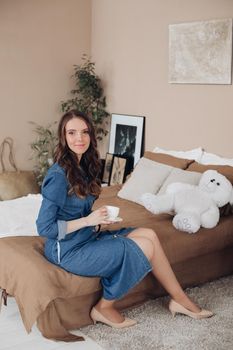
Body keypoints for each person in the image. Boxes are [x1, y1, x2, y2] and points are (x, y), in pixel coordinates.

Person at [36, 110, 213, 328]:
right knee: (143, 247)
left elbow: (79, 211)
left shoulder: (85, 166)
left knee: (149, 234)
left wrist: (98, 222)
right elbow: (44, 228)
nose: (79, 138)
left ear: (91, 135)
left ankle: (180, 300)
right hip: (67, 250)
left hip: (86, 236)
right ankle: (104, 306)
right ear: (63, 137)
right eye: (72, 133)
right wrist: (87, 222)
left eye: (84, 132)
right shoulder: (57, 176)